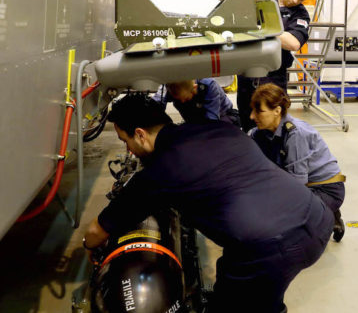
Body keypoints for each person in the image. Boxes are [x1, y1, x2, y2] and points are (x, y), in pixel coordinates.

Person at [83, 93, 334, 312]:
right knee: (260, 290)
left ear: (140, 135)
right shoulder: (216, 128)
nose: (129, 150)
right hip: (317, 218)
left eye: (125, 141)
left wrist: (89, 247)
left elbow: (97, 231)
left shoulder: (158, 172)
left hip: (269, 248)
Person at [248, 83, 346, 242]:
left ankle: (327, 217)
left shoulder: (296, 135)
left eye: (259, 111)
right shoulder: (260, 132)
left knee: (280, 217)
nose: (252, 116)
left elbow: (297, 187)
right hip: (307, 186)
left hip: (327, 189)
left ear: (277, 111)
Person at [215, 0, 315, 132]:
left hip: (273, 79)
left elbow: (293, 43)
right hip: (246, 74)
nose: (295, 1)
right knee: (247, 122)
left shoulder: (300, 14)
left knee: (272, 130)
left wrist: (260, 27)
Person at [152, 78, 240, 126]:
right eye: (178, 100)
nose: (182, 102)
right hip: (194, 120)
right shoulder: (170, 88)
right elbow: (155, 106)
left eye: (186, 99)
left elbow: (212, 123)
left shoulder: (209, 86)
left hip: (222, 116)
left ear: (194, 88)